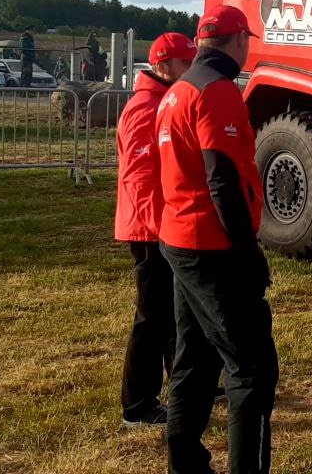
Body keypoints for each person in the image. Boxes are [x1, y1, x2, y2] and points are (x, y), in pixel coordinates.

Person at [156, 5, 277, 474]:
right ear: (240, 41)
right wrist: (248, 253)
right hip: (212, 246)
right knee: (253, 369)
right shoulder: (218, 90)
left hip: (180, 237)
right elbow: (222, 176)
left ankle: (185, 463)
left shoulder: (178, 90)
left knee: (195, 358)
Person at [115, 32, 198, 427]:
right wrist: (160, 229)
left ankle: (185, 384)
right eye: (186, 63)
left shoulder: (164, 101)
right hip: (150, 230)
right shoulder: (144, 108)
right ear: (163, 66)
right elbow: (140, 177)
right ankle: (138, 405)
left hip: (164, 226)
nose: (192, 69)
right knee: (152, 317)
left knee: (171, 314)